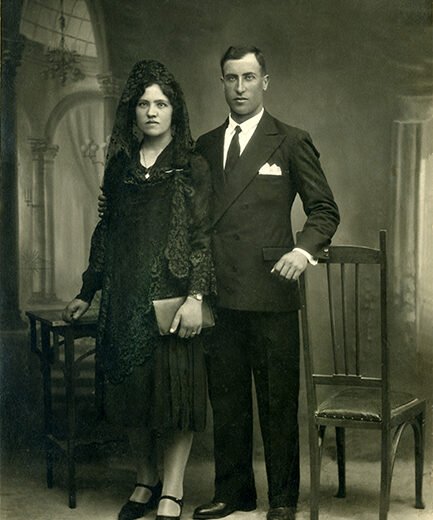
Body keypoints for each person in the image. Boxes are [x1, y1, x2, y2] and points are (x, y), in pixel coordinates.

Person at [63, 60, 216, 520]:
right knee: (132, 394)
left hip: (172, 297)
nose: (152, 112)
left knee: (175, 397)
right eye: (144, 104)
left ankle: (173, 489)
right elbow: (106, 232)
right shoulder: (119, 167)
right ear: (132, 110)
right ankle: (145, 480)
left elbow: (202, 237)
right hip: (125, 295)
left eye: (161, 104)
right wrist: (87, 291)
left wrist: (196, 298)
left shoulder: (191, 166)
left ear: (175, 111)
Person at [191, 46, 340, 520]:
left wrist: (303, 250)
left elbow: (324, 210)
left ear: (265, 82)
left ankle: (282, 499)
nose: (240, 88)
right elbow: (193, 220)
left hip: (272, 292)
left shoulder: (291, 140)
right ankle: (234, 493)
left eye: (249, 77)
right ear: (222, 83)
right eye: (231, 78)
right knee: (227, 400)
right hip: (221, 292)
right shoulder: (204, 146)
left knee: (278, 402)